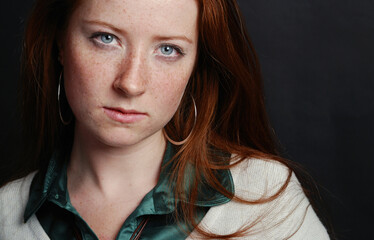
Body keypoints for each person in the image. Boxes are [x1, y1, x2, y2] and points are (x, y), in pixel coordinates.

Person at [0, 0, 330, 239]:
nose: (130, 83)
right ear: (61, 43)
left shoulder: (264, 195)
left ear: (195, 65)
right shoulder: (5, 215)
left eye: (168, 50)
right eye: (106, 38)